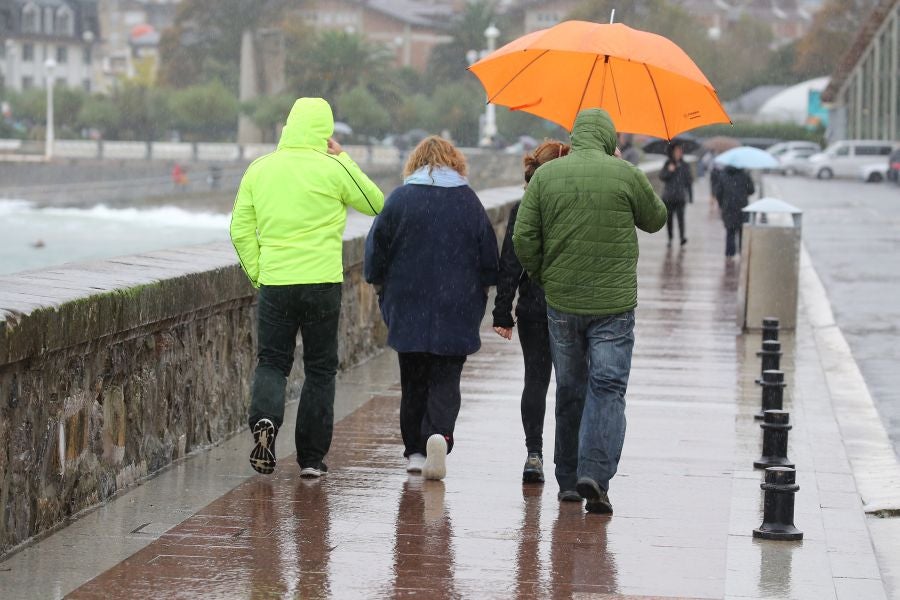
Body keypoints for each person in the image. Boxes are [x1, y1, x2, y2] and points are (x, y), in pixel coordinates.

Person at [513, 108, 667, 514]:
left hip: (562, 303)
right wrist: (623, 168)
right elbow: (656, 219)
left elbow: (523, 236)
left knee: (569, 387)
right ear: (608, 138)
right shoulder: (626, 174)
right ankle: (595, 474)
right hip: (614, 306)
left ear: (576, 135)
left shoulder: (545, 177)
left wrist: (544, 275)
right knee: (608, 386)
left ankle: (566, 479)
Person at [230, 97, 385, 477]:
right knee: (319, 369)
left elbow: (239, 230)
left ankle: (265, 422)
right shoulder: (333, 168)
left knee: (272, 361)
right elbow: (376, 203)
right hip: (321, 282)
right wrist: (344, 158)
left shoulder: (260, 169)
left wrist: (259, 274)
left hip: (276, 282)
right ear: (326, 132)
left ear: (288, 126)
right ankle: (311, 460)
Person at [365, 136, 499, 481]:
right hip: (457, 304)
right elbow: (489, 260)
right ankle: (439, 434)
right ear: (456, 163)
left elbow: (374, 253)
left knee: (412, 379)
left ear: (414, 163)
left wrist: (380, 283)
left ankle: (414, 450)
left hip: (407, 303)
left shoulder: (399, 200)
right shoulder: (468, 202)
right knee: (445, 377)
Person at [492, 140, 571, 484]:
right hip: (570, 305)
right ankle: (567, 458)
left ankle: (534, 453)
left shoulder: (524, 207)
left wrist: (502, 311)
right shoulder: (573, 207)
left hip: (533, 307)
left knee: (535, 380)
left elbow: (509, 261)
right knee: (571, 385)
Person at [713, 165, 755, 259]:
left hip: (728, 208)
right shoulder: (744, 175)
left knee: (730, 232)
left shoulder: (723, 175)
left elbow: (718, 192)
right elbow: (752, 190)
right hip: (742, 208)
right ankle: (741, 253)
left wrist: (722, 204)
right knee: (742, 232)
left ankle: (729, 256)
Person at [659, 142, 693, 247]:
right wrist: (669, 171)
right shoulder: (668, 163)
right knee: (669, 220)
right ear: (673, 152)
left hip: (680, 197)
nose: (679, 153)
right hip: (668, 197)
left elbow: (689, 181)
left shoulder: (685, 165)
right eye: (677, 151)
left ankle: (682, 238)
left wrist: (691, 196)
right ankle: (670, 238)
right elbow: (661, 177)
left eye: (680, 151)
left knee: (681, 219)